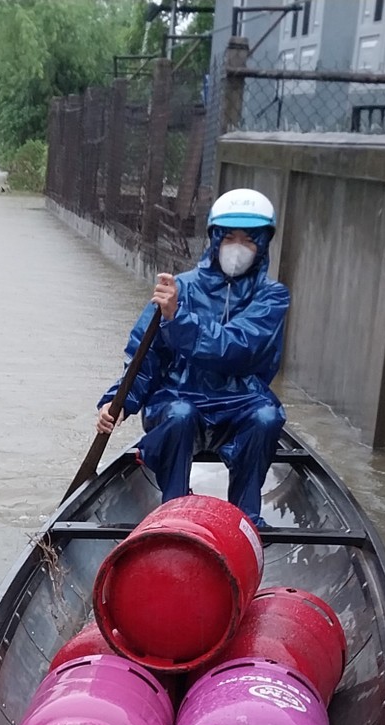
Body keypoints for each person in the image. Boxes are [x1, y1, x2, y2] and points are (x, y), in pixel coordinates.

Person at [94, 188, 289, 525]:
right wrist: (117, 403)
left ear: (262, 246)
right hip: (181, 396)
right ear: (214, 240)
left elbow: (235, 348)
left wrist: (177, 318)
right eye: (229, 238)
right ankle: (172, 513)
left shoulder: (272, 297)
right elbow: (144, 355)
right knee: (179, 414)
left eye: (248, 240)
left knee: (266, 418)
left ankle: (245, 519)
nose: (237, 248)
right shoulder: (180, 289)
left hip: (240, 403)